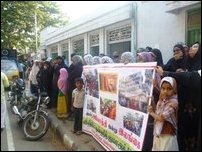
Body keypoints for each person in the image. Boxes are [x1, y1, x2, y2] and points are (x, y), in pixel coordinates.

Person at [147, 76, 179, 151]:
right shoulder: (162, 100)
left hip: (167, 133)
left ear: (174, 90)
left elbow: (161, 118)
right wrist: (152, 101)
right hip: (158, 132)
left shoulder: (173, 103)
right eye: (163, 88)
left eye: (169, 89)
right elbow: (157, 112)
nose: (165, 91)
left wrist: (151, 112)